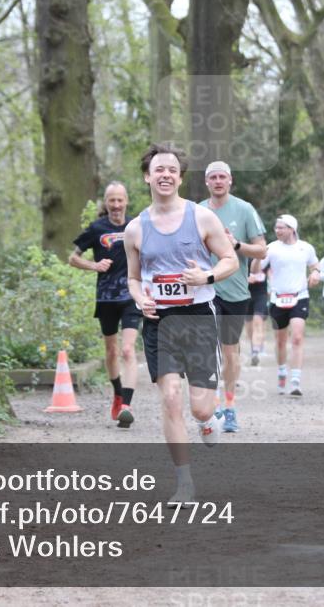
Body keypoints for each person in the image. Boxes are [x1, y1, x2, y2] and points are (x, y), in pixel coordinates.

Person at [124, 144, 238, 502]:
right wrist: (139, 298)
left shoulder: (202, 218)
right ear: (148, 176)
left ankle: (207, 420)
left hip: (198, 317)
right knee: (171, 398)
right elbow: (133, 278)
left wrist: (206, 277)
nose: (166, 175)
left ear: (180, 178)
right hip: (159, 321)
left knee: (200, 406)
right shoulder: (135, 229)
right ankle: (184, 482)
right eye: (159, 169)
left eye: (172, 170)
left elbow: (230, 259)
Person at [200, 161, 267, 433]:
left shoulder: (244, 209)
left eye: (222, 177)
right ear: (207, 182)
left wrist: (236, 244)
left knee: (229, 352)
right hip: (205, 291)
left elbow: (262, 250)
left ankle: (230, 407)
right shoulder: (196, 211)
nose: (218, 181)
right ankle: (214, 405)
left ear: (230, 180)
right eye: (213, 177)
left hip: (236, 292)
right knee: (209, 349)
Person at [69, 182, 140, 428]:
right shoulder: (97, 228)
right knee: (111, 351)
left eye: (120, 200)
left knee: (128, 350)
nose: (116, 205)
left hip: (131, 295)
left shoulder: (137, 226)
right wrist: (94, 265)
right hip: (106, 297)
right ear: (106, 203)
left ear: (126, 201)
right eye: (112, 200)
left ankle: (127, 407)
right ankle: (118, 393)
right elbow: (73, 258)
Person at [263, 214, 320, 396]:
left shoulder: (305, 248)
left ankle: (295, 381)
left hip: (299, 297)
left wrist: (316, 273)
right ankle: (282, 371)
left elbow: (315, 265)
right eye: (276, 227)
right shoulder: (271, 248)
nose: (277, 231)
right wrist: (256, 258)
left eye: (281, 227)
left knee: (297, 337)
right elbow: (257, 268)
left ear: (292, 229)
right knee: (280, 341)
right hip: (277, 298)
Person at [245, 257, 268, 366]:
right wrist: (246, 279)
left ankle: (256, 351)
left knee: (258, 321)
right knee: (249, 325)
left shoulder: (266, 258)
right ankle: (253, 346)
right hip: (245, 294)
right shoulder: (242, 256)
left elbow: (272, 273)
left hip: (261, 295)